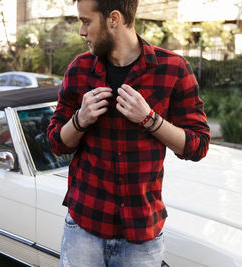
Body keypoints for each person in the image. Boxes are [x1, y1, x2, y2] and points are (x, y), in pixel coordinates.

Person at [47, 0, 210, 266]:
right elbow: (56, 143)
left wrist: (150, 119)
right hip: (84, 228)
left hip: (142, 234)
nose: (81, 31)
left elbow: (198, 146)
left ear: (113, 19)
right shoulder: (78, 70)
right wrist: (80, 119)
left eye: (86, 21)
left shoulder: (173, 69)